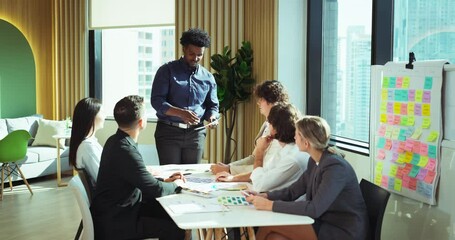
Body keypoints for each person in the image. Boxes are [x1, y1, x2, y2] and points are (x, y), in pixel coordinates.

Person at [245, 116, 369, 240]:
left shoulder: (335, 167)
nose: (294, 138)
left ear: (306, 142)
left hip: (342, 231)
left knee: (268, 226)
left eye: (297, 135)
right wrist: (265, 196)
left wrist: (269, 205)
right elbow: (293, 191)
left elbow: (314, 208)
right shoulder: (314, 161)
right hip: (323, 223)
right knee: (275, 237)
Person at [91, 95, 186, 240]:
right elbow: (156, 189)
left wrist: (165, 181)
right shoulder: (126, 150)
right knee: (175, 226)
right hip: (118, 222)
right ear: (141, 122)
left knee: (169, 214)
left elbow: (140, 179)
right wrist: (176, 185)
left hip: (116, 211)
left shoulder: (115, 140)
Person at [151, 28, 219, 165]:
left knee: (191, 176)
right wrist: (181, 113)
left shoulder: (208, 77)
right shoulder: (166, 71)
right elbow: (157, 101)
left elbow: (213, 106)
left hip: (196, 134)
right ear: (184, 49)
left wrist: (212, 117)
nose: (195, 58)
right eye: (191, 54)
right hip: (168, 133)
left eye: (199, 55)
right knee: (171, 176)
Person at [215, 104, 309, 192]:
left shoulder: (291, 158)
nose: (268, 127)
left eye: (270, 124)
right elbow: (264, 173)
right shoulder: (286, 149)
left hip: (285, 206)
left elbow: (259, 184)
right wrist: (233, 178)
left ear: (276, 128)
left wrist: (260, 151)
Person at [210, 80, 290, 175]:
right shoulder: (266, 124)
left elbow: (267, 166)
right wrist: (228, 166)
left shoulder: (281, 128)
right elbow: (253, 158)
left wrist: (230, 170)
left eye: (261, 99)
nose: (258, 103)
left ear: (271, 101)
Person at [69, 97, 105, 187]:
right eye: (102, 112)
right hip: (110, 198)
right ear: (91, 116)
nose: (104, 116)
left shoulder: (88, 144)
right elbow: (103, 178)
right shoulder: (88, 147)